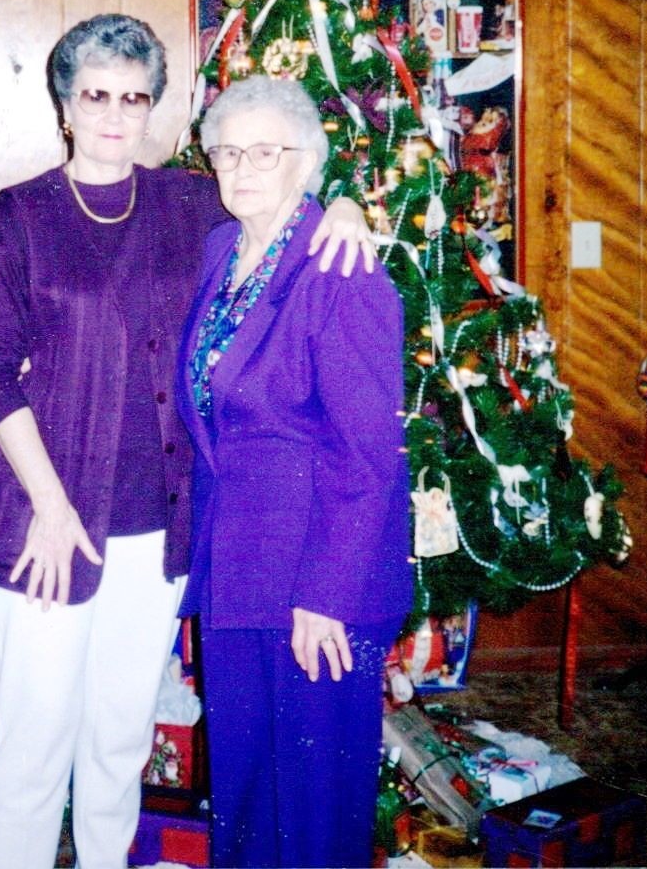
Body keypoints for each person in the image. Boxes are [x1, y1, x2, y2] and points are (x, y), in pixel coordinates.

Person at [0, 13, 374, 869]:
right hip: (46, 521)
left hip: (159, 526)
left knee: (119, 736)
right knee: (33, 742)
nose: (114, 115)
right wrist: (49, 507)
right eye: (95, 95)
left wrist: (346, 205)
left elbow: (281, 185)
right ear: (64, 106)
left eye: (133, 97)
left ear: (153, 108)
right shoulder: (16, 218)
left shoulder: (190, 202)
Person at [175, 74, 413, 868]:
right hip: (238, 566)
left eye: (265, 152)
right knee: (243, 789)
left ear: (306, 160)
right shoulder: (220, 249)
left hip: (317, 579)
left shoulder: (338, 267)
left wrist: (325, 595)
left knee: (311, 807)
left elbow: (366, 455)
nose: (241, 168)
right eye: (226, 151)